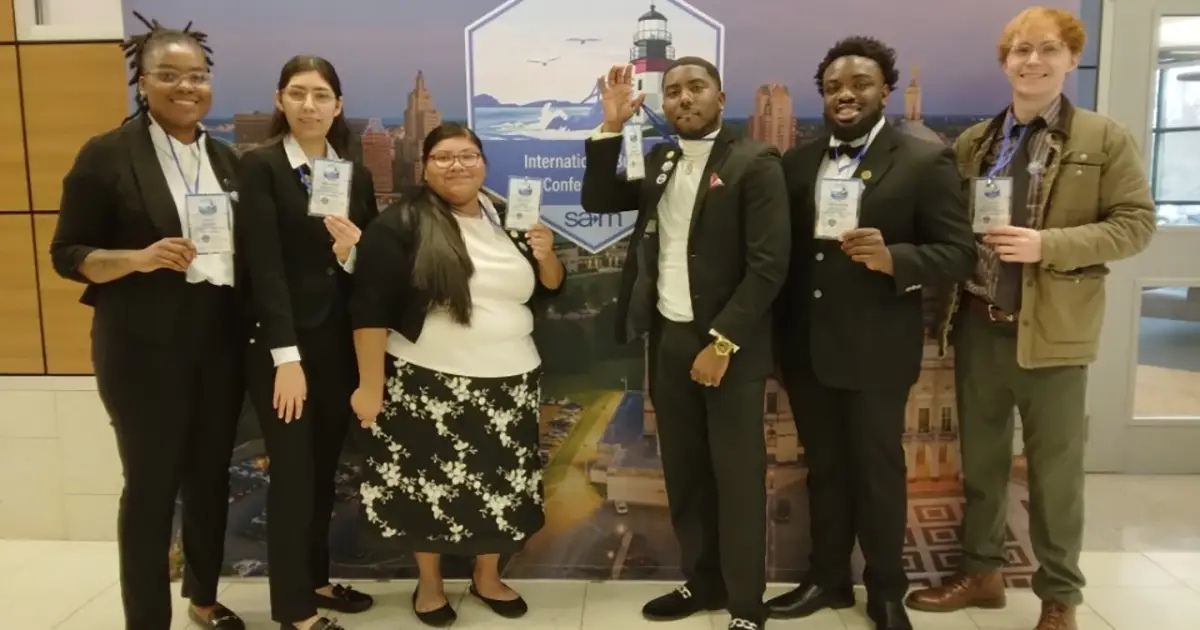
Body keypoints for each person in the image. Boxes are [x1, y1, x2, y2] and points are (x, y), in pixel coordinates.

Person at [905, 8, 1155, 630]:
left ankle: (1060, 597)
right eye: (1019, 50)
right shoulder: (976, 142)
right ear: (1005, 62)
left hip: (1054, 334)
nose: (1032, 60)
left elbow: (1135, 225)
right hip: (980, 326)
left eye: (1046, 49)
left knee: (1054, 476)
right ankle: (981, 573)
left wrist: (1050, 246)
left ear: (1071, 58)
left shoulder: (1103, 139)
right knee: (983, 464)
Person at [767, 36, 976, 630]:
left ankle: (885, 589)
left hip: (877, 351)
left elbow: (958, 254)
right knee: (824, 470)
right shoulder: (798, 163)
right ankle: (827, 580)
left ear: (886, 90)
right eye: (834, 87)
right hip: (807, 349)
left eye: (859, 83)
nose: (846, 95)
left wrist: (896, 259)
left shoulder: (922, 161)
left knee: (878, 473)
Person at [48, 12, 247, 630]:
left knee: (212, 479)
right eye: (169, 75)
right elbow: (68, 255)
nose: (186, 87)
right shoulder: (107, 155)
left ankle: (205, 600)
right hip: (141, 349)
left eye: (198, 76)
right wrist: (138, 258)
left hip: (217, 342)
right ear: (142, 82)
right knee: (151, 489)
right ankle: (146, 620)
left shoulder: (228, 159)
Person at [581, 59, 790, 630]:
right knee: (686, 472)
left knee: (737, 478)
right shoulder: (660, 158)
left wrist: (722, 343)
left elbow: (769, 266)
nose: (683, 100)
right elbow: (599, 199)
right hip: (669, 341)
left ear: (721, 97)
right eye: (672, 92)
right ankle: (703, 582)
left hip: (729, 348)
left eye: (696, 88)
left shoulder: (755, 162)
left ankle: (746, 604)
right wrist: (609, 125)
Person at [348, 122, 565, 628]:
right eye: (443, 157)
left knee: (500, 489)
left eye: (467, 155)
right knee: (429, 490)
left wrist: (547, 253)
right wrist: (370, 387)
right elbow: (370, 311)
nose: (457, 166)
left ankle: (487, 576)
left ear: (484, 163)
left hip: (510, 381)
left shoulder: (510, 218)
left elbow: (551, 287)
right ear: (424, 167)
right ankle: (430, 586)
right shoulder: (400, 223)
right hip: (429, 384)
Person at [235, 55, 378, 630]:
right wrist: (284, 359)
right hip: (283, 350)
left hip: (337, 345)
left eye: (322, 95)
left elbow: (366, 266)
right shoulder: (262, 168)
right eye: (298, 94)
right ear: (280, 101)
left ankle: (316, 580)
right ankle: (293, 610)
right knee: (293, 475)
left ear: (338, 106)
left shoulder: (354, 174)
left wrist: (350, 252)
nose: (310, 105)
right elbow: (263, 270)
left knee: (322, 470)